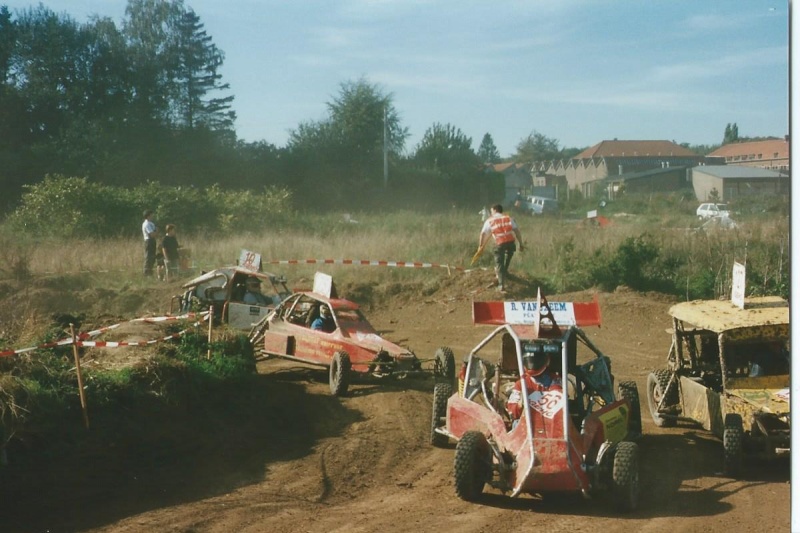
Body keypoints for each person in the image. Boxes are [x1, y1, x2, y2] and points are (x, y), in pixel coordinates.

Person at [506, 344, 562, 421]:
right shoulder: (521, 384)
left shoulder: (555, 380)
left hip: (551, 422)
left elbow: (559, 405)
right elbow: (513, 413)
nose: (532, 363)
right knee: (516, 422)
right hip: (526, 422)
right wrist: (520, 404)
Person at [478, 203, 524, 292]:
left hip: (500, 243)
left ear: (495, 210)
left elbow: (483, 233)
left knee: (499, 263)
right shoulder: (508, 218)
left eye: (491, 210)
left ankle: (501, 285)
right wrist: (521, 244)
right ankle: (505, 271)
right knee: (508, 255)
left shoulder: (490, 220)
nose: (491, 213)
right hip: (511, 242)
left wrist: (480, 246)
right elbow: (517, 231)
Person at [142, 210, 157, 276]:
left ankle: (150, 272)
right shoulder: (146, 224)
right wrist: (156, 232)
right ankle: (146, 272)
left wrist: (155, 232)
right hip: (149, 241)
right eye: (151, 214)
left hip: (153, 240)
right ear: (148, 215)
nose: (152, 216)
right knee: (148, 257)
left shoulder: (151, 223)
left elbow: (155, 232)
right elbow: (152, 234)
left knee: (153, 257)